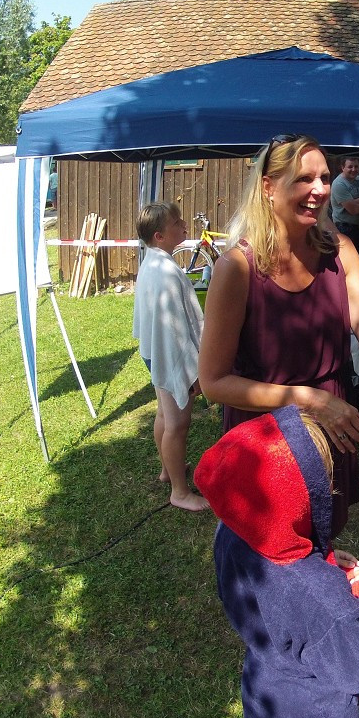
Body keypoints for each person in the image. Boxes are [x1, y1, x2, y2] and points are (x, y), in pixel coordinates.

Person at [198, 135, 359, 536]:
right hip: (265, 434)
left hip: (329, 427)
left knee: (321, 539)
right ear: (268, 187)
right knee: (269, 552)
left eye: (324, 177)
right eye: (305, 179)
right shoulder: (237, 268)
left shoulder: (340, 251)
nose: (320, 189)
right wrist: (309, 399)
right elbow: (213, 382)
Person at [195, 405, 359, 718]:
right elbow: (357, 668)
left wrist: (323, 558)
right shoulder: (323, 599)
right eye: (323, 483)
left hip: (265, 704)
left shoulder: (231, 530)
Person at [131, 201, 210, 512]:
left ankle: (168, 470)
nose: (184, 226)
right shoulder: (163, 272)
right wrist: (192, 372)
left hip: (156, 353)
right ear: (159, 235)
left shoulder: (153, 261)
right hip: (168, 355)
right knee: (177, 423)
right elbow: (176, 333)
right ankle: (179, 491)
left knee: (165, 416)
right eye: (177, 223)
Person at [330, 157, 359, 259]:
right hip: (345, 229)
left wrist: (358, 201)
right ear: (342, 167)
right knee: (350, 262)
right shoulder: (339, 184)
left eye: (356, 166)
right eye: (350, 167)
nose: (354, 169)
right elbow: (354, 210)